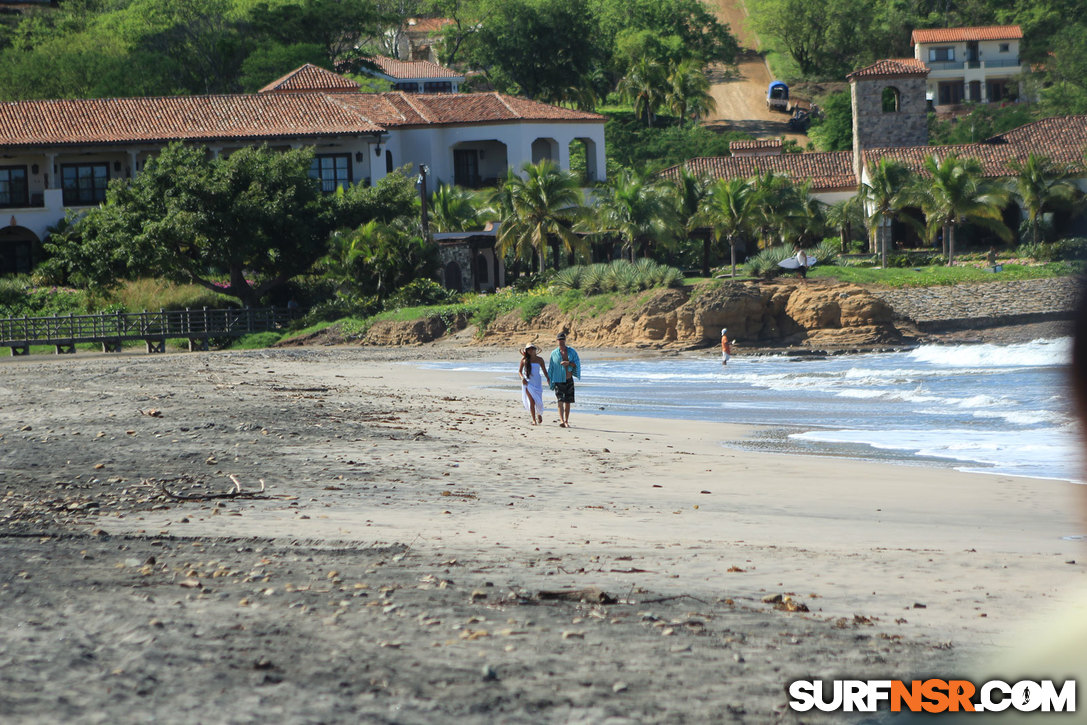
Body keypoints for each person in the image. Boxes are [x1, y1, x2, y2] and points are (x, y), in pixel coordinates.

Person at [547, 331, 580, 428]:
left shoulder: (571, 352)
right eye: (559, 340)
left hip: (569, 379)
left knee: (568, 402)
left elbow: (577, 363)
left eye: (562, 340)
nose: (561, 342)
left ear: (565, 340)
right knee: (560, 400)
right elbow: (551, 367)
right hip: (558, 379)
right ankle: (561, 420)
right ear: (557, 341)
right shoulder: (554, 353)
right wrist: (549, 379)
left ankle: (566, 420)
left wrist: (568, 363)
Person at [518, 342, 549, 425]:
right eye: (529, 349)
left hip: (537, 383)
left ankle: (539, 414)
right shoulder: (524, 360)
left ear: (535, 349)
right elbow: (520, 372)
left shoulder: (540, 360)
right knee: (532, 401)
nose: (531, 350)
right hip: (528, 383)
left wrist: (548, 379)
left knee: (539, 402)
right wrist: (522, 378)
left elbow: (545, 371)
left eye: (532, 348)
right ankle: (534, 420)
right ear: (527, 351)